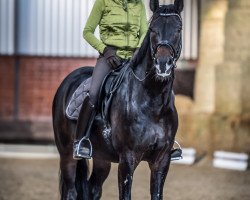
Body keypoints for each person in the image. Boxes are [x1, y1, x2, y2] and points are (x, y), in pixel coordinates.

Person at [73, 0, 148, 159]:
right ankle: (80, 141)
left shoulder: (139, 4)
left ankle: (163, 141)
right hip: (109, 58)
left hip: (134, 58)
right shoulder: (103, 2)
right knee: (93, 94)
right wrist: (105, 51)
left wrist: (138, 50)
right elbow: (87, 32)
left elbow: (144, 32)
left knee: (154, 88)